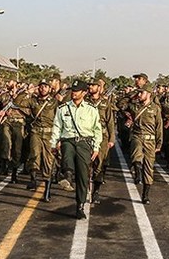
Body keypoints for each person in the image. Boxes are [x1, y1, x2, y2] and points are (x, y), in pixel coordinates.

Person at [50, 79, 102, 219]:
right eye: (73, 90)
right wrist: (54, 143)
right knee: (67, 151)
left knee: (83, 176)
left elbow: (97, 130)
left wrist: (96, 147)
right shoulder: (63, 108)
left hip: (84, 143)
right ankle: (67, 175)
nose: (74, 93)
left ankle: (80, 205)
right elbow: (57, 127)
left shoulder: (92, 110)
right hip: (68, 140)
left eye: (77, 91)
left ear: (84, 93)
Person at [124, 82, 163, 204]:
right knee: (136, 155)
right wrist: (132, 93)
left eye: (142, 92)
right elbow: (120, 104)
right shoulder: (135, 106)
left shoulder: (156, 108)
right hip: (137, 136)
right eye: (139, 92)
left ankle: (145, 195)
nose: (140, 94)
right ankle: (137, 170)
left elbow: (159, 127)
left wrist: (159, 143)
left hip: (150, 140)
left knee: (149, 167)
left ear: (149, 94)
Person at [26, 78, 59, 200]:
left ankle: (47, 190)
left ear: (50, 89)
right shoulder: (33, 100)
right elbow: (18, 103)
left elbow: (59, 119)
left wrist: (59, 137)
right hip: (36, 132)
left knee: (48, 160)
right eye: (41, 86)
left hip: (49, 134)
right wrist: (27, 92)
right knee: (34, 155)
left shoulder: (55, 102)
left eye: (45, 86)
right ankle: (33, 180)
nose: (43, 88)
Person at [86, 78, 115, 203]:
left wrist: (112, 138)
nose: (91, 87)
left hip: (102, 137)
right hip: (87, 135)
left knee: (99, 164)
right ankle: (85, 188)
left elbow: (110, 122)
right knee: (86, 163)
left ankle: (96, 192)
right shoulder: (84, 101)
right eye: (90, 85)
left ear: (99, 87)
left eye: (93, 85)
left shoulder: (105, 103)